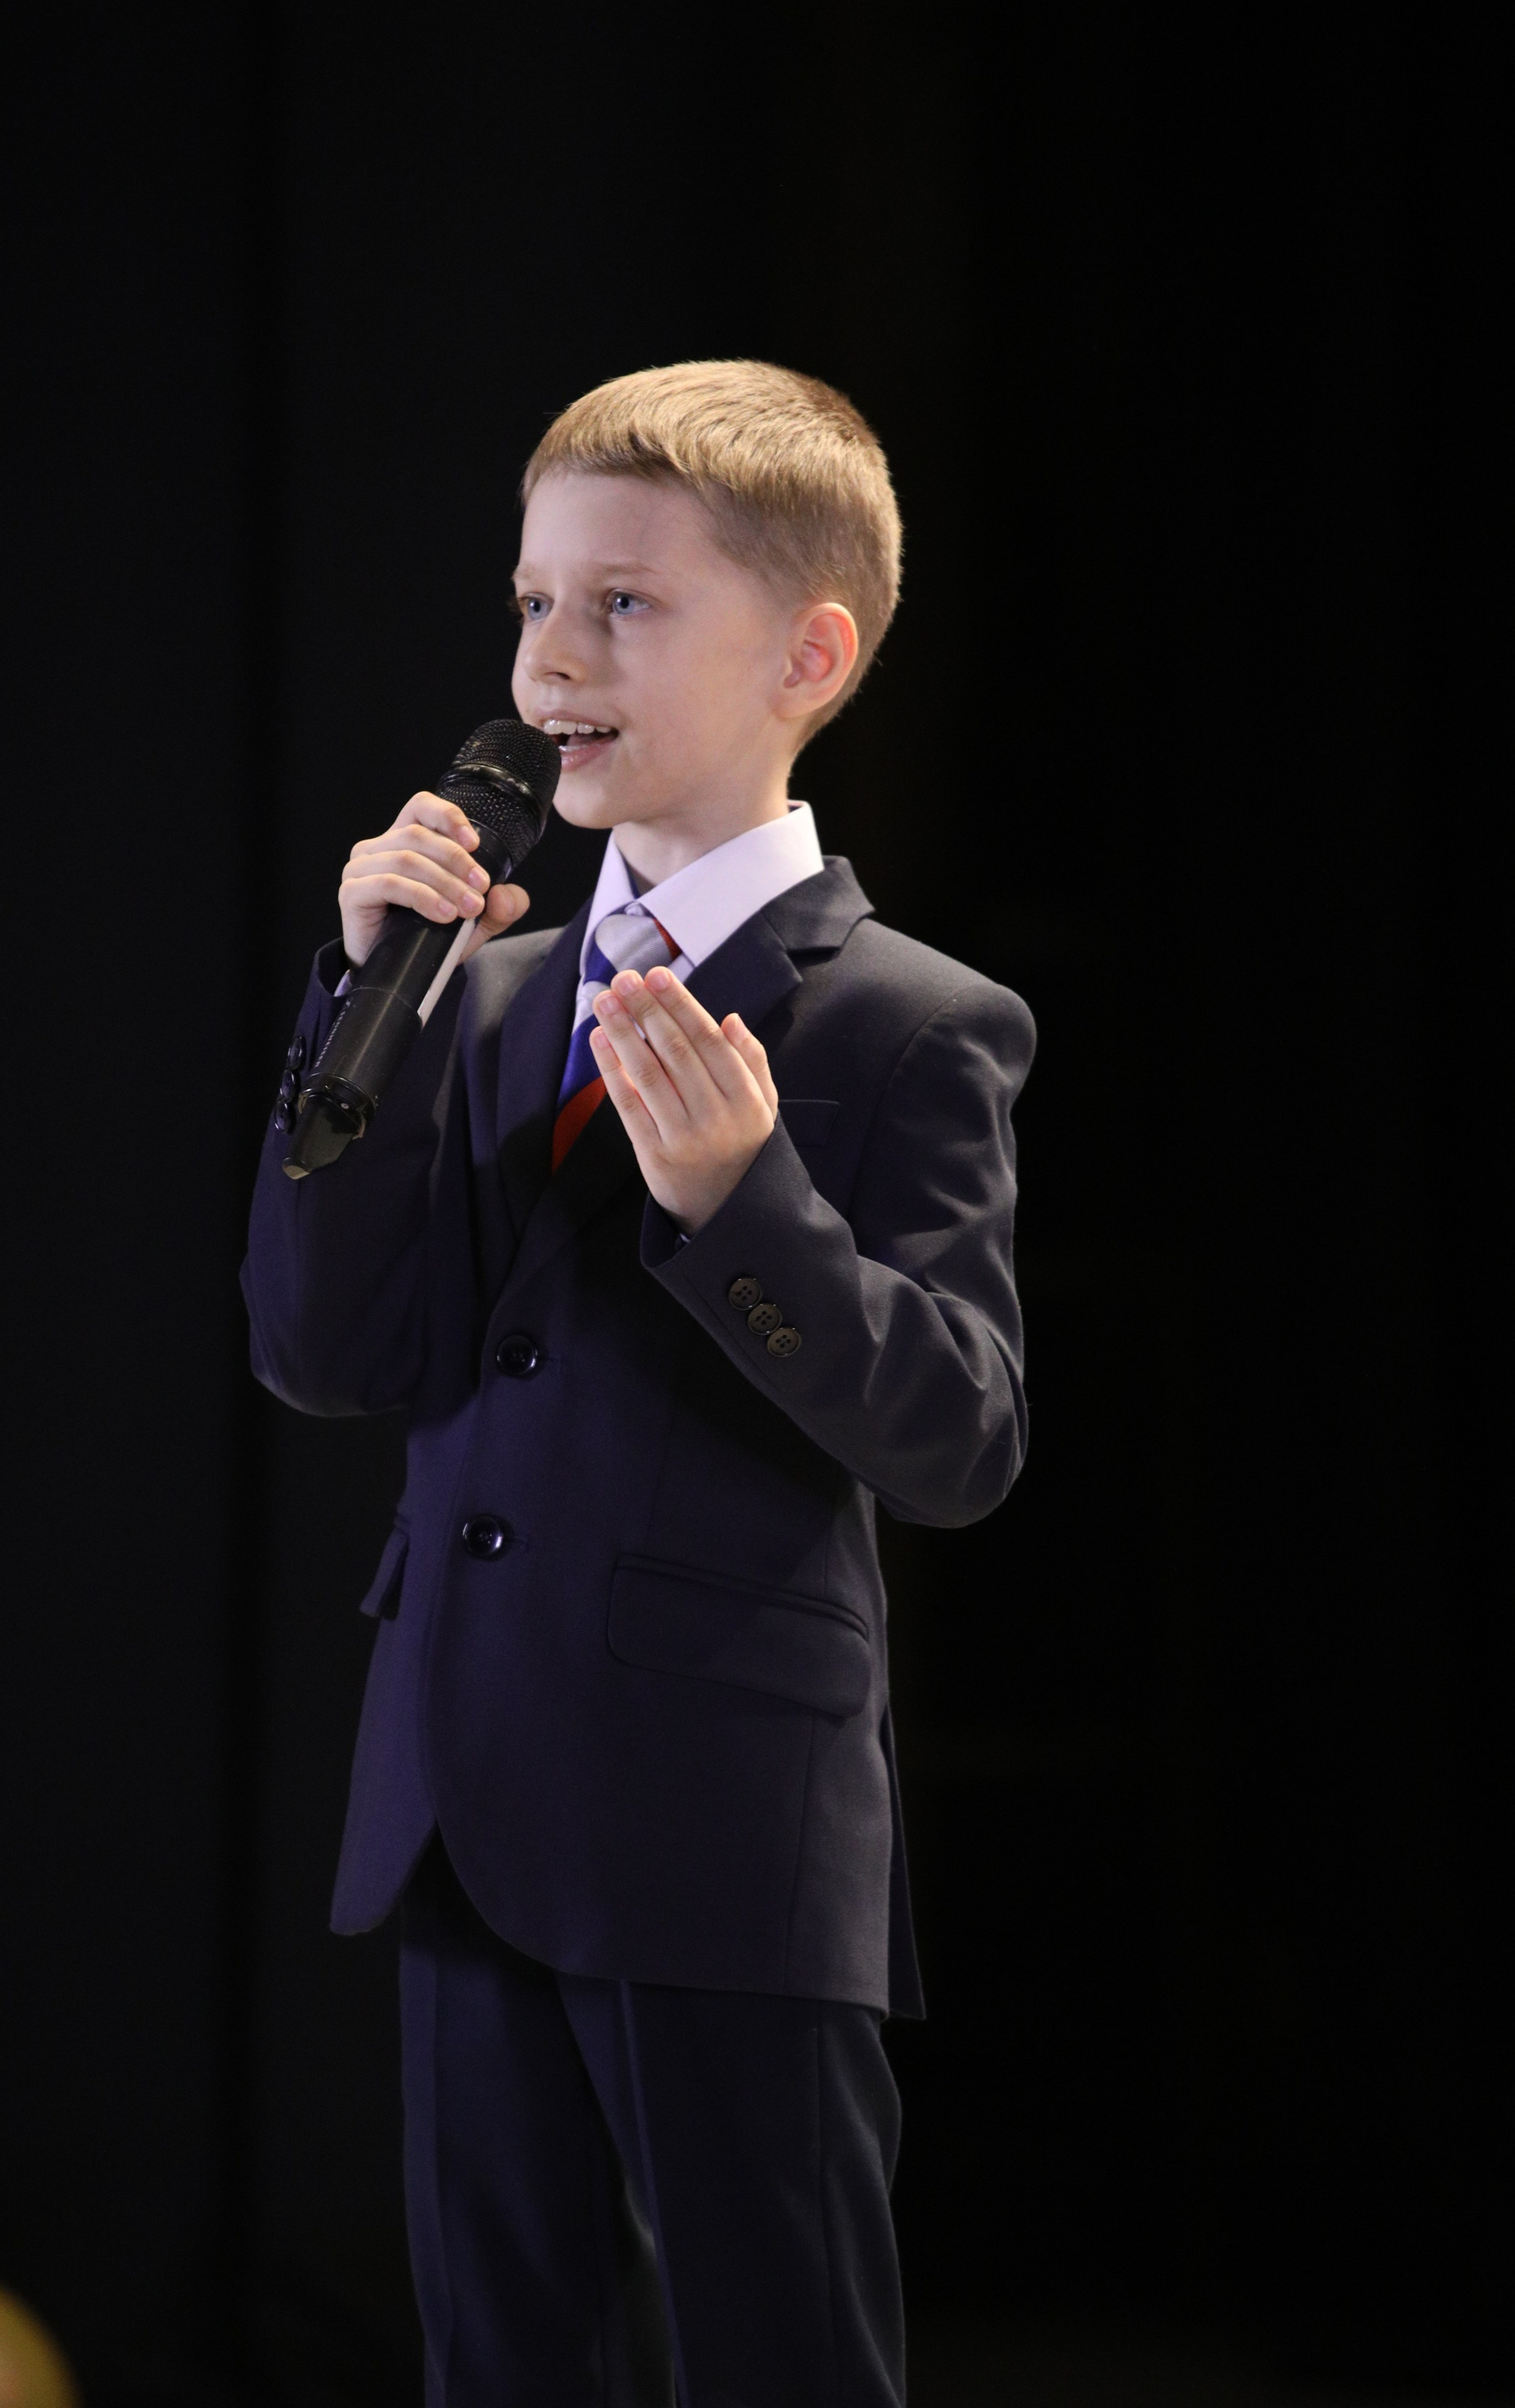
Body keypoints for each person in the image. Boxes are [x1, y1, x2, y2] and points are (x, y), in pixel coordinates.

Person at [243, 359, 1035, 2406]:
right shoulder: (481, 992)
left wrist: (744, 1205)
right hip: (459, 1790)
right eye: (532, 602)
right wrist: (360, 1010)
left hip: (721, 1822)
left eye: (621, 605)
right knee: (500, 2354)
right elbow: (327, 1351)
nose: (550, 661)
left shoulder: (912, 1024)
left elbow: (961, 1437)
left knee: (779, 2349)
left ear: (808, 656)